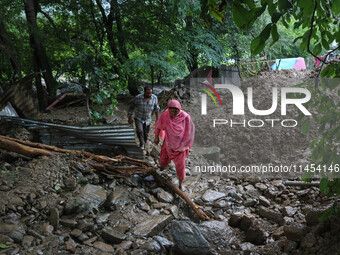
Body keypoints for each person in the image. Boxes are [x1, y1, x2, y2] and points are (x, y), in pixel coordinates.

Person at [154, 100, 195, 191]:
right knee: (163, 158)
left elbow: (189, 133)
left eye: (175, 111)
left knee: (180, 166)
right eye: (171, 111)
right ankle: (162, 167)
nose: (173, 113)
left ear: (179, 109)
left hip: (180, 146)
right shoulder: (166, 114)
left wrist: (185, 145)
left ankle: (181, 184)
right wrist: (156, 137)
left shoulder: (185, 117)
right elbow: (158, 125)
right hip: (168, 142)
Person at [128, 85, 160, 150]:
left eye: (150, 93)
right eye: (147, 93)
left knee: (146, 134)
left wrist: (157, 118)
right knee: (140, 131)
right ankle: (142, 144)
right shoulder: (138, 98)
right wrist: (129, 117)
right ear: (144, 92)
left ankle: (143, 143)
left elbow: (156, 109)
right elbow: (131, 107)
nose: (149, 94)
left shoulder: (154, 98)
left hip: (148, 119)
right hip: (138, 118)